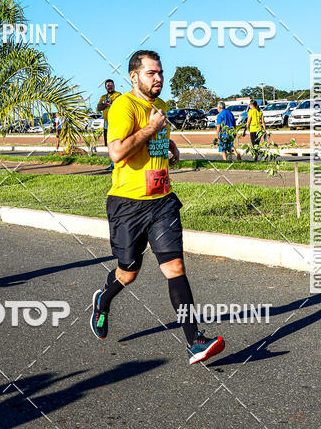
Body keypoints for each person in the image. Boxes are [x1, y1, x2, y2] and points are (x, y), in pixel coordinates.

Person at [89, 50, 225, 365]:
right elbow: (117, 153)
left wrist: (170, 147)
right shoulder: (123, 106)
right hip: (128, 204)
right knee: (128, 273)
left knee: (174, 268)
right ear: (134, 76)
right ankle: (103, 302)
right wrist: (151, 129)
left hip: (162, 201)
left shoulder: (159, 107)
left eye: (161, 72)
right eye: (152, 73)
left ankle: (195, 341)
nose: (159, 78)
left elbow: (156, 141)